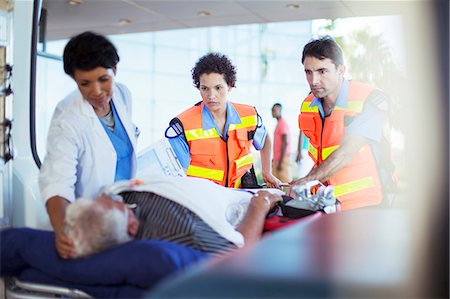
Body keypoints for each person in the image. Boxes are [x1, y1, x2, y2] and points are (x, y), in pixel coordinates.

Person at [39, 31, 139, 259]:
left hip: (122, 213)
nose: (96, 91)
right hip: (87, 221)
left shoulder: (123, 95)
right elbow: (57, 183)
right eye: (85, 83)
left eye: (104, 79)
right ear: (74, 80)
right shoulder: (68, 119)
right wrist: (64, 231)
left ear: (115, 70)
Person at [290, 35, 392, 210]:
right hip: (326, 204)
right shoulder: (308, 105)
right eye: (308, 72)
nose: (313, 81)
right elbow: (319, 157)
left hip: (368, 205)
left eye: (322, 71)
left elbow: (345, 152)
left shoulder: (371, 99)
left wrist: (305, 181)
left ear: (341, 70)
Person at [64, 176, 283, 257]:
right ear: (131, 227)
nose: (112, 197)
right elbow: (239, 253)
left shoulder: (117, 197)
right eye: (115, 204)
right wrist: (259, 204)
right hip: (248, 204)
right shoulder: (184, 230)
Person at [165, 53, 280, 189]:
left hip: (239, 197)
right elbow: (179, 177)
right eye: (204, 88)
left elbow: (265, 138)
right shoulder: (182, 126)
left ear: (230, 86)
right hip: (201, 200)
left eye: (218, 88)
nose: (211, 96)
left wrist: (267, 172)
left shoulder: (249, 116)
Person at [271, 103, 291, 182]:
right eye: (272, 111)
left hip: (282, 160)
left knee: (285, 184)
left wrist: (280, 162)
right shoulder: (278, 124)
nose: (273, 113)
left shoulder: (283, 124)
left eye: (274, 110)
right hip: (278, 160)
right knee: (275, 184)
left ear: (280, 110)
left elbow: (285, 142)